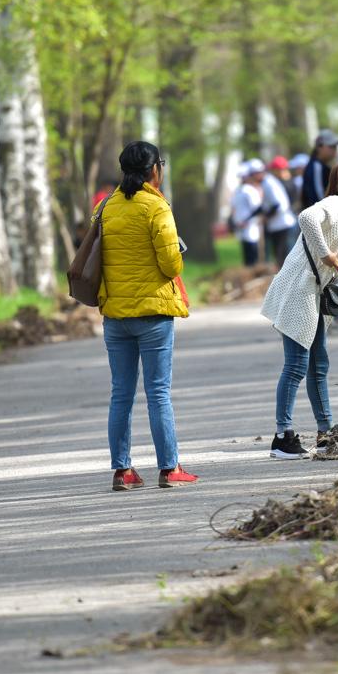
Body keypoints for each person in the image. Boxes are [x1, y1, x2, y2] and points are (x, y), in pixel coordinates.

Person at [261, 156, 338, 459]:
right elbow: (306, 218)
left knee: (319, 364)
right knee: (296, 366)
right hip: (297, 293)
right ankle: (282, 436)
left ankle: (326, 431)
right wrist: (325, 252)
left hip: (312, 297)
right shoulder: (335, 205)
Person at [98, 141, 197, 491]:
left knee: (120, 394)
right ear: (154, 169)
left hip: (115, 314)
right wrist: (179, 253)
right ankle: (170, 469)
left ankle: (122, 471)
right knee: (158, 392)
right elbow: (170, 264)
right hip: (153, 313)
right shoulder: (156, 207)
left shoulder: (107, 208)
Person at [262, 158, 298, 264]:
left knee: (286, 256)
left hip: (283, 222)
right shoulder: (290, 182)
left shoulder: (278, 183)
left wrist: (266, 216)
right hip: (289, 219)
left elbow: (279, 204)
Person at [231, 160, 265, 266]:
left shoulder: (250, 190)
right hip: (241, 225)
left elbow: (257, 208)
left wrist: (247, 221)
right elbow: (235, 207)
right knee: (245, 250)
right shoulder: (238, 190)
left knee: (252, 249)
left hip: (250, 225)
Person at [301, 129, 338, 208]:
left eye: (335, 147)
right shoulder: (316, 167)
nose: (335, 150)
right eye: (331, 146)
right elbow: (319, 198)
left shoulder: (320, 166)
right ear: (319, 147)